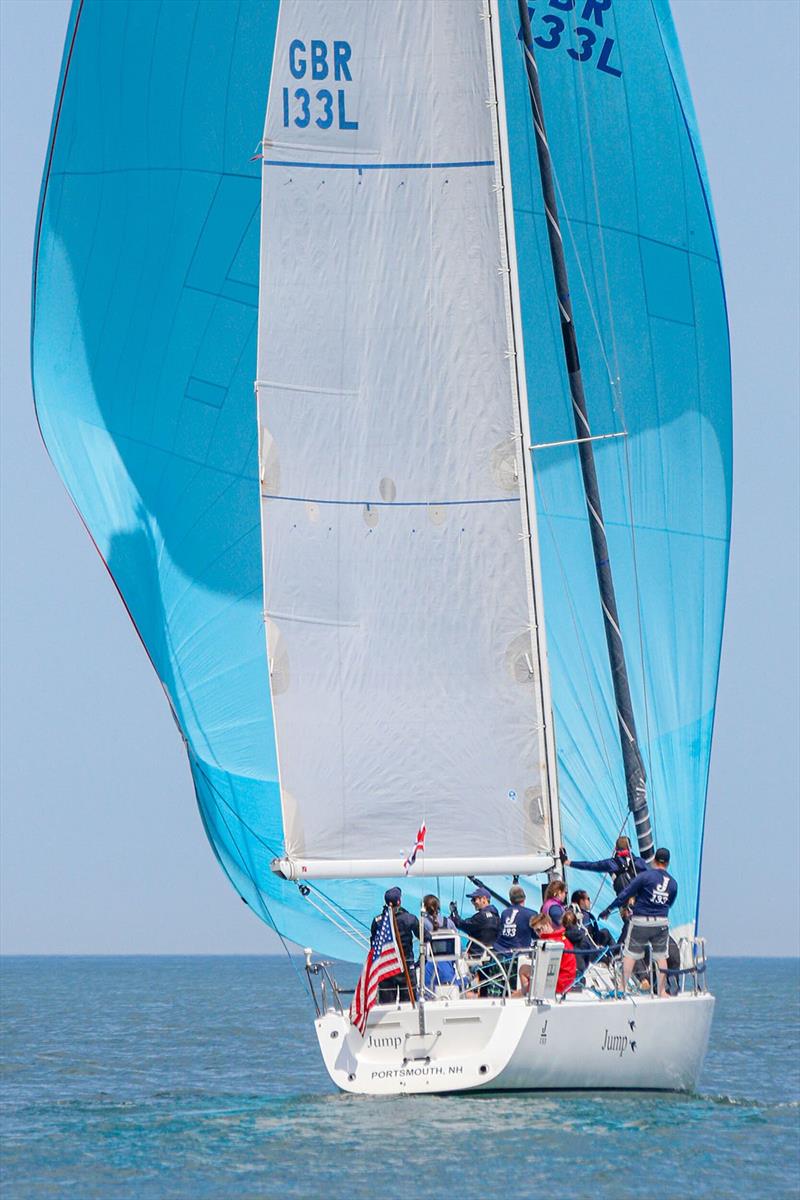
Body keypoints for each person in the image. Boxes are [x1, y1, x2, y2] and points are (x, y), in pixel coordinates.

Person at [599, 848, 678, 996]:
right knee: (661, 956)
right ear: (667, 863)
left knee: (630, 954)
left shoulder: (645, 877)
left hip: (642, 920)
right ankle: (662, 991)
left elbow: (625, 894)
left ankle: (621, 989)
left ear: (654, 860)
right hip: (661, 922)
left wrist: (608, 910)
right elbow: (670, 903)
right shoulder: (673, 883)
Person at [371, 886, 420, 1003]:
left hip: (386, 968)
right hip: (406, 966)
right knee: (409, 1005)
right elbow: (425, 937)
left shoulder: (378, 921)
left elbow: (373, 945)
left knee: (387, 1007)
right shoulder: (409, 919)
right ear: (399, 901)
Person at [561, 835, 648, 895]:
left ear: (615, 849)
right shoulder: (640, 862)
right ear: (630, 848)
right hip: (643, 902)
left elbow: (589, 865)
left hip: (625, 904)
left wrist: (568, 862)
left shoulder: (611, 864)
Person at [494, 884, 537, 991]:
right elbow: (536, 935)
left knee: (500, 989)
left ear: (510, 899)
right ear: (524, 898)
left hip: (499, 954)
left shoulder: (504, 913)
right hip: (517, 956)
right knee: (514, 989)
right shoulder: (531, 914)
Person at [536, 903, 576, 995]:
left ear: (547, 924)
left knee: (524, 970)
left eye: (539, 930)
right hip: (568, 981)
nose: (538, 934)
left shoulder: (550, 941)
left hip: (559, 984)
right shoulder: (562, 937)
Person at [449, 887, 500, 956]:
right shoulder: (496, 915)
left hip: (476, 955)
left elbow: (462, 924)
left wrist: (454, 913)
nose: (473, 902)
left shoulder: (481, 917)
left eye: (474, 899)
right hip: (490, 954)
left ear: (484, 899)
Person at [421, 894, 457, 989]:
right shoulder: (449, 922)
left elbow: (422, 945)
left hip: (430, 967)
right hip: (448, 968)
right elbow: (458, 944)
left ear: (424, 907)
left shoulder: (422, 923)